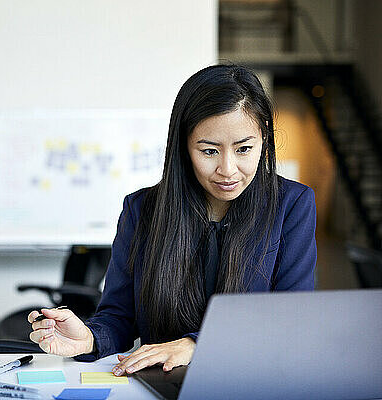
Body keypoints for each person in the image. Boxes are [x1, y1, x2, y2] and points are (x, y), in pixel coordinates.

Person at [28, 64, 317, 376]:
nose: (228, 169)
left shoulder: (292, 205)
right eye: (208, 152)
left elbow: (290, 322)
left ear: (264, 137)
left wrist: (195, 345)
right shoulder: (141, 210)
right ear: (183, 146)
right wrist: (90, 338)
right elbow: (119, 316)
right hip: (163, 381)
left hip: (254, 379)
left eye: (244, 149)